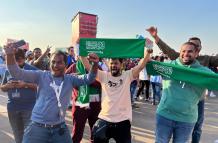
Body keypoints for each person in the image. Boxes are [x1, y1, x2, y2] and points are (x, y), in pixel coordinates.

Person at [4, 43, 99, 143]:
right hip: (37, 127)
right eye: (53, 62)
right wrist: (9, 55)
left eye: (59, 62)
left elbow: (89, 78)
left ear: (66, 64)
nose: (55, 65)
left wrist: (95, 64)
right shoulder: (41, 75)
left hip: (60, 128)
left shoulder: (70, 79)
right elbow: (16, 73)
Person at [147, 26, 218, 143]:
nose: (186, 54)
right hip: (165, 115)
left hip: (187, 119)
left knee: (195, 130)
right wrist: (149, 53)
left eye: (190, 51)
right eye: (183, 51)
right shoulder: (170, 65)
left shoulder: (205, 70)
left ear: (197, 53)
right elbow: (151, 63)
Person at [81, 47, 153, 143]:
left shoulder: (128, 75)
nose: (113, 66)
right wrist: (81, 49)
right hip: (104, 119)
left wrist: (147, 53)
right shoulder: (103, 75)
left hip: (123, 121)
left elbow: (140, 67)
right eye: (111, 63)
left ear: (121, 65)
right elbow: (88, 67)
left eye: (116, 63)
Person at [0, 49, 37, 143]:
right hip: (12, 108)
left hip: (29, 107)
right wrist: (7, 86)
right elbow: (2, 87)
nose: (19, 60)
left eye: (21, 57)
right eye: (16, 58)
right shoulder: (8, 70)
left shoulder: (33, 70)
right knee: (17, 134)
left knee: (30, 135)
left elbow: (41, 86)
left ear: (24, 57)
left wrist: (25, 84)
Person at [65, 58, 101, 143]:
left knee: (96, 132)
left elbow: (103, 82)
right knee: (77, 133)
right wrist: (75, 79)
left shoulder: (96, 66)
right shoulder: (74, 67)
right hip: (79, 104)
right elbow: (64, 80)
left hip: (95, 104)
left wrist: (86, 80)